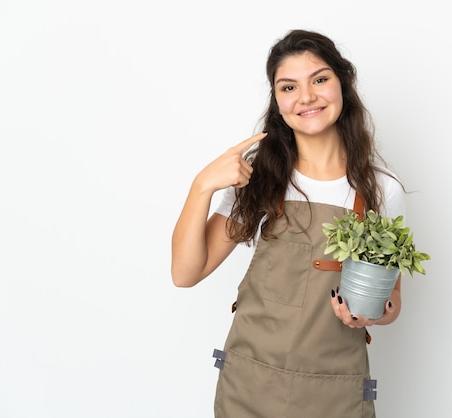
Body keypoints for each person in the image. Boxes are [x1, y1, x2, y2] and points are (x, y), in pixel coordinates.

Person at [171, 29, 407, 417]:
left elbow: (393, 301)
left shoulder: (382, 189)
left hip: (336, 394)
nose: (306, 97)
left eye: (319, 79)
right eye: (288, 86)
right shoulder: (260, 178)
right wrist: (202, 186)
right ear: (277, 101)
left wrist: (370, 313)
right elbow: (185, 272)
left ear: (343, 84)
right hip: (250, 387)